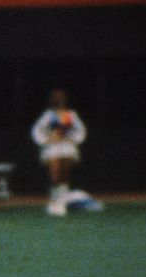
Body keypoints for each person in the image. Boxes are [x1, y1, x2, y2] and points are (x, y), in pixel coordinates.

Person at [31, 87, 100, 216]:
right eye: (57, 98)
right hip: (53, 148)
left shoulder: (70, 115)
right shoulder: (48, 115)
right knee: (55, 175)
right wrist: (48, 139)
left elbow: (80, 130)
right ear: (52, 100)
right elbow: (37, 130)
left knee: (64, 176)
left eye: (61, 98)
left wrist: (72, 138)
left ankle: (61, 202)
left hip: (67, 148)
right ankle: (54, 202)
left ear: (65, 100)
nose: (59, 100)